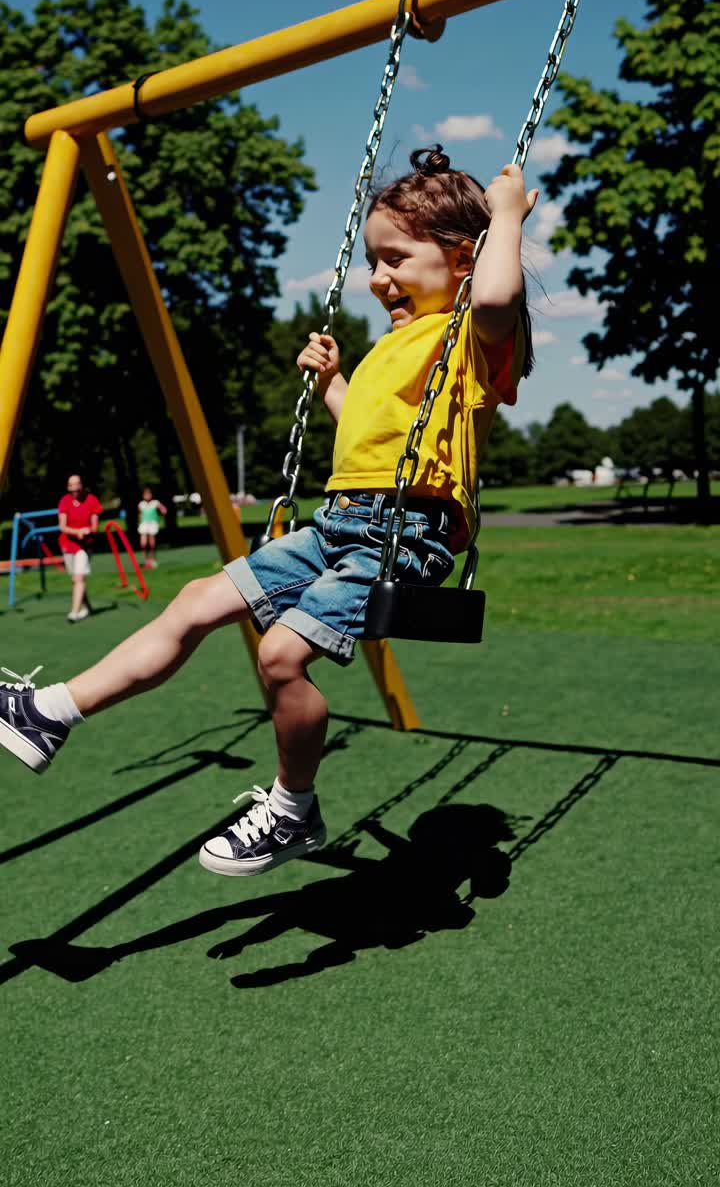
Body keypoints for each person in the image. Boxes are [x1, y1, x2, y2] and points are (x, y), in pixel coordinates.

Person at [0, 148, 537, 877]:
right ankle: (52, 711)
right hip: (340, 520)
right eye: (373, 262)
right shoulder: (393, 346)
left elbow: (501, 298)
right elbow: (370, 435)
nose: (379, 279)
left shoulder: (471, 336)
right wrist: (334, 385)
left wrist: (505, 218)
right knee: (194, 602)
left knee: (279, 654)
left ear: (462, 258)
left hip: (404, 534)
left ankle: (292, 809)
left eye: (396, 260)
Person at [57, 474, 103, 623]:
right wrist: (76, 532)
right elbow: (63, 526)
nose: (75, 488)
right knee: (75, 579)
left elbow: (95, 527)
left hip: (85, 546)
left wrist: (87, 531)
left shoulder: (92, 500)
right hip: (68, 544)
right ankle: (88, 607)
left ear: (82, 485)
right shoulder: (64, 501)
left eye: (77, 484)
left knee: (79, 578)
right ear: (68, 487)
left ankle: (74, 612)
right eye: (71, 485)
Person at [137, 487, 167, 569]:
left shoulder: (155, 502)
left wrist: (161, 512)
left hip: (152, 524)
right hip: (144, 524)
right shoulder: (141, 504)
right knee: (143, 544)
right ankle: (146, 560)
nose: (147, 496)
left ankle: (152, 559)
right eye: (145, 494)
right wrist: (139, 523)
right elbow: (139, 515)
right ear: (143, 495)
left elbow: (164, 510)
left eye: (149, 494)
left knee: (151, 543)